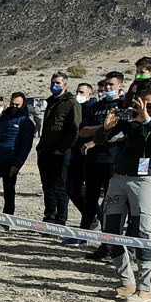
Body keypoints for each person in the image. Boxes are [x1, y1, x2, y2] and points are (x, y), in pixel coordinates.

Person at [94, 77, 151, 302]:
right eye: (138, 103)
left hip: (146, 180)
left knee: (142, 234)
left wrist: (148, 121)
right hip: (120, 176)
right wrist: (105, 130)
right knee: (110, 230)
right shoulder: (131, 112)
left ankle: (146, 289)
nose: (142, 108)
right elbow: (103, 140)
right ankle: (127, 283)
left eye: (149, 104)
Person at [76, 72, 126, 248]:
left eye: (111, 85)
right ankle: (82, 234)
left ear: (120, 85)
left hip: (112, 159)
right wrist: (104, 126)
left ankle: (107, 243)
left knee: (110, 202)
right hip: (92, 160)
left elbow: (121, 130)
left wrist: (98, 136)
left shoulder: (123, 106)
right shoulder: (95, 107)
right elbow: (83, 130)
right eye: (105, 85)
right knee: (90, 198)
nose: (107, 88)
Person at [0, 92, 35, 225]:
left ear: (23, 105)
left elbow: (25, 147)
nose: (14, 106)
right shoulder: (4, 118)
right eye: (12, 104)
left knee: (8, 192)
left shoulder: (26, 122)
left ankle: (6, 222)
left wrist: (17, 164)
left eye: (17, 104)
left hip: (10, 161)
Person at [37, 71, 83, 225]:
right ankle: (49, 217)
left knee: (59, 187)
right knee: (47, 186)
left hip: (60, 152)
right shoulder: (51, 101)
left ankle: (60, 219)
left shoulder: (71, 103)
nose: (54, 86)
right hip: (45, 150)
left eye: (57, 83)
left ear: (65, 85)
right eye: (52, 83)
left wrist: (63, 149)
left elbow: (74, 129)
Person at [64, 82, 98, 238]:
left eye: (82, 92)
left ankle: (93, 219)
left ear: (90, 94)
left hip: (89, 154)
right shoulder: (75, 107)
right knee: (72, 188)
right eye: (77, 91)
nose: (78, 94)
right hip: (74, 153)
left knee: (89, 191)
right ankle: (91, 216)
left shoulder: (93, 109)